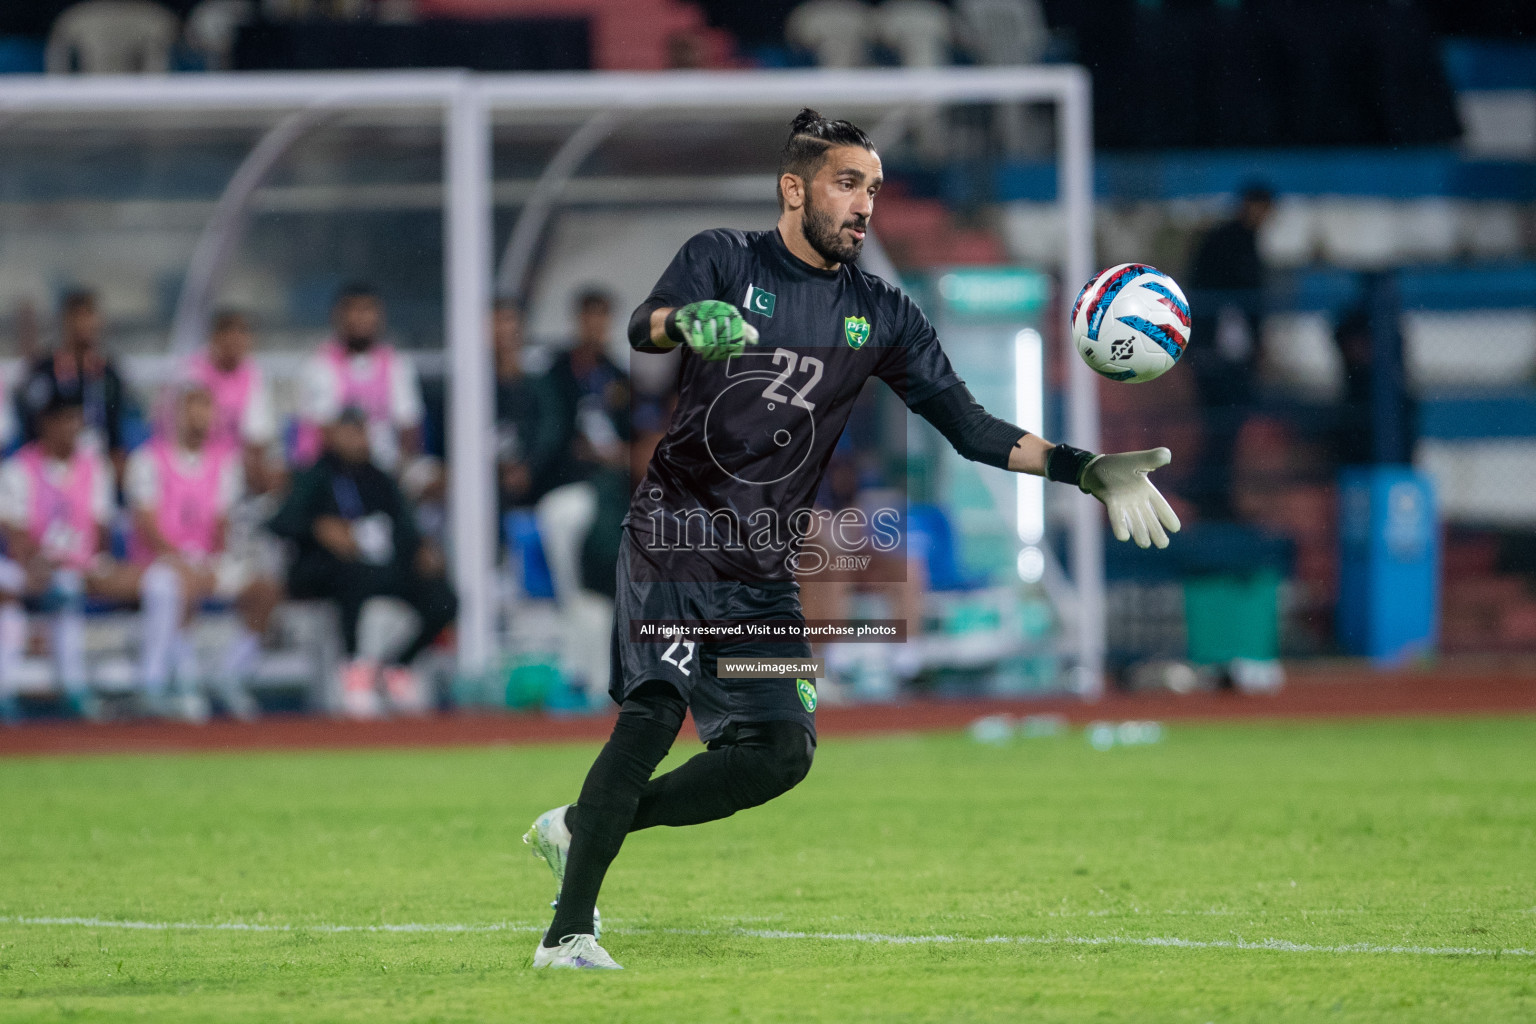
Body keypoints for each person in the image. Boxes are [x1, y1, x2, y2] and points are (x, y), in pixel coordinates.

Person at [521, 108, 1181, 969]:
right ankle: (568, 933)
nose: (865, 204)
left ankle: (584, 826)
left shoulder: (883, 312)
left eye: (872, 187)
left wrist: (1086, 469)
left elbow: (971, 426)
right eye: (847, 184)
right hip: (676, 536)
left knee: (779, 753)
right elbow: (646, 321)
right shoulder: (725, 256)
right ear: (794, 189)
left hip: (761, 570)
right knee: (653, 711)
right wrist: (686, 325)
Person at [268, 407, 457, 719]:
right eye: (350, 431)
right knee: (351, 574)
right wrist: (319, 527)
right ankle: (354, 668)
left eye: (362, 431)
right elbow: (281, 522)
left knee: (443, 596)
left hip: (380, 566)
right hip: (323, 570)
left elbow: (404, 523)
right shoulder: (313, 475)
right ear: (332, 435)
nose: (358, 439)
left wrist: (422, 547)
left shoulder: (378, 476)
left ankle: (398, 666)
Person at [125, 381, 282, 721]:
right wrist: (182, 561)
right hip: (159, 561)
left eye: (205, 409)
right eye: (191, 408)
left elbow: (220, 522)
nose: (199, 417)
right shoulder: (148, 460)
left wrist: (217, 560)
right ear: (174, 415)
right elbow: (147, 524)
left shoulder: (225, 463)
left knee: (265, 588)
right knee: (179, 585)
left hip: (204, 559)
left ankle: (230, 673)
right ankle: (182, 679)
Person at [0, 395, 134, 724]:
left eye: (77, 421)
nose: (73, 429)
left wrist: (83, 562)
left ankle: (73, 688)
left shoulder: (94, 467)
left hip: (75, 567)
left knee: (68, 590)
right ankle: (5, 691)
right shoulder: (18, 468)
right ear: (46, 425)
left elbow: (101, 530)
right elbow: (15, 534)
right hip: (24, 567)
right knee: (11, 602)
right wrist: (40, 563)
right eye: (65, 421)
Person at [536, 288, 633, 701]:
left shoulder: (619, 377)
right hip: (567, 482)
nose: (596, 326)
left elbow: (635, 438)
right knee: (562, 515)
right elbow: (547, 435)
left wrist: (619, 455)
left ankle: (592, 603)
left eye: (603, 318)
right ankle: (571, 596)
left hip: (610, 488)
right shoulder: (556, 373)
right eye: (589, 317)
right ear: (578, 320)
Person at [1184, 183, 1274, 520]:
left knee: (1226, 426)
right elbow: (1234, 298)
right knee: (1223, 424)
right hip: (1220, 352)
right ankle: (1208, 494)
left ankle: (1211, 494)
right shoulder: (1229, 242)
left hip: (1224, 351)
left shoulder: (1235, 241)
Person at [293, 283, 428, 482]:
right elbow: (327, 433)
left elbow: (409, 427)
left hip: (390, 468)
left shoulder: (396, 364)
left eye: (367, 310)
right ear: (337, 316)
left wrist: (399, 468)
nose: (359, 318)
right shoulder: (319, 365)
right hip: (335, 469)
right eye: (352, 310)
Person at [15, 289, 134, 475]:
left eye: (90, 316)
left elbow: (115, 430)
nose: (85, 324)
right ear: (65, 321)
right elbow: (31, 426)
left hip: (98, 467)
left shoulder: (108, 374)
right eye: (78, 316)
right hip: (52, 465)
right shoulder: (45, 370)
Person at [181, 308, 281, 495]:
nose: (235, 340)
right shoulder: (192, 373)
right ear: (214, 337)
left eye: (242, 333)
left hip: (235, 465)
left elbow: (257, 436)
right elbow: (187, 430)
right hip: (197, 459)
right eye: (228, 332)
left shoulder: (254, 375)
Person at [492, 299, 564, 516]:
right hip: (487, 477)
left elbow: (551, 431)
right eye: (497, 321)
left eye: (509, 321)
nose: (503, 329)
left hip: (536, 478)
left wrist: (529, 468)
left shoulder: (539, 380)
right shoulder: (474, 387)